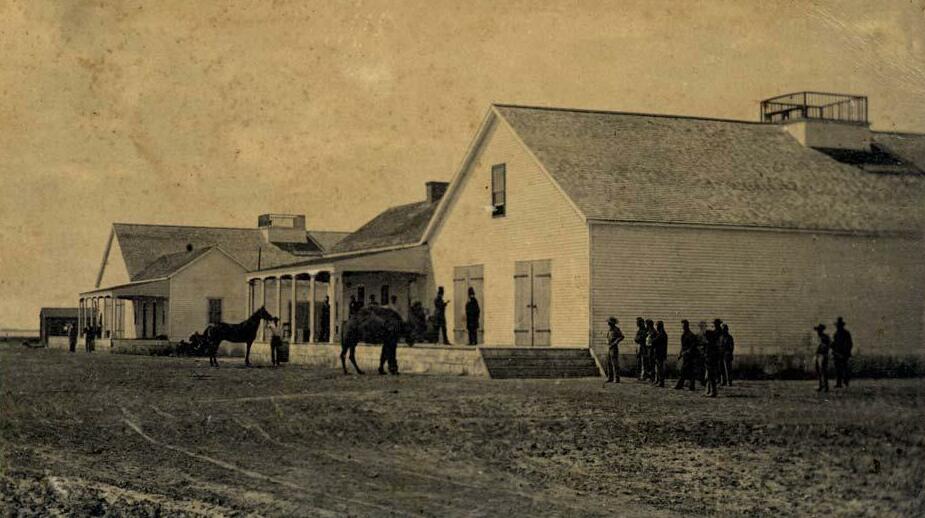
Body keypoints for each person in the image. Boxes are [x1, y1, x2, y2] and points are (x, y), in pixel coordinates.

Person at [674, 320, 698, 391]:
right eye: (682, 325)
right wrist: (680, 353)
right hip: (685, 355)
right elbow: (683, 346)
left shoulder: (691, 335)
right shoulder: (683, 334)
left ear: (687, 325)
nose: (683, 327)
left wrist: (687, 352)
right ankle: (689, 385)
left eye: (684, 325)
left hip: (690, 355)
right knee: (686, 370)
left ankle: (682, 385)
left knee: (685, 370)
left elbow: (693, 346)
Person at [832, 317, 853, 388]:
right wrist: (833, 349)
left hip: (844, 354)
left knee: (844, 368)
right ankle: (839, 383)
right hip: (837, 354)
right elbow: (834, 344)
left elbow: (849, 344)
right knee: (838, 369)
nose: (838, 327)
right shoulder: (835, 334)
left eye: (839, 326)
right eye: (837, 326)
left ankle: (845, 382)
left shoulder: (846, 333)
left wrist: (846, 352)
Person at [701, 320, 720, 397]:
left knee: (711, 376)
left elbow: (710, 353)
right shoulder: (710, 343)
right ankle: (708, 390)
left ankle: (713, 391)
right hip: (709, 360)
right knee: (708, 376)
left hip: (711, 361)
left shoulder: (711, 344)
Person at [605, 317, 624, 383]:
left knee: (615, 363)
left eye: (609, 322)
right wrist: (607, 341)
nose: (608, 323)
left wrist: (615, 342)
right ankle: (610, 378)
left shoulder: (616, 329)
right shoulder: (609, 330)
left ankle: (617, 378)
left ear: (613, 323)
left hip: (614, 348)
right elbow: (607, 337)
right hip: (609, 347)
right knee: (609, 363)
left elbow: (621, 337)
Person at [814, 323, 831, 392]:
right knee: (819, 371)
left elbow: (826, 346)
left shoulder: (824, 337)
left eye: (819, 330)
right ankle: (821, 385)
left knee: (823, 371)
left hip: (823, 355)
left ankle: (825, 386)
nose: (818, 331)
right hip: (818, 355)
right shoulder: (819, 338)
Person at [653, 321, 668, 387]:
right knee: (658, 368)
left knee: (660, 368)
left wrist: (652, 339)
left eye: (657, 326)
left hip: (660, 354)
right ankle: (658, 380)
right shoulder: (662, 334)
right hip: (659, 353)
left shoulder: (661, 334)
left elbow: (654, 341)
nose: (656, 327)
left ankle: (661, 382)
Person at [644, 320, 656, 384]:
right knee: (649, 363)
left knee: (652, 363)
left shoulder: (653, 331)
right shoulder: (648, 331)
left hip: (651, 349)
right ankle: (650, 377)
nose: (645, 325)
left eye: (646, 324)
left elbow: (653, 341)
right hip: (648, 348)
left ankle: (652, 378)